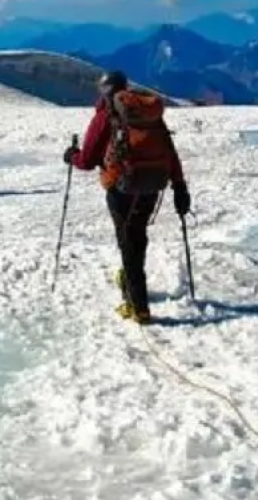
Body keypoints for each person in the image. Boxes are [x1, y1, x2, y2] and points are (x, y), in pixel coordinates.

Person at [64, 70, 190, 324]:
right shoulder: (150, 116)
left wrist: (72, 156)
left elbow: (87, 160)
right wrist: (179, 186)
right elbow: (169, 148)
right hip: (152, 184)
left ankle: (138, 307)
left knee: (128, 242)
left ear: (104, 90)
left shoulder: (106, 115)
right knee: (137, 236)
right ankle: (131, 283)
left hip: (122, 187)